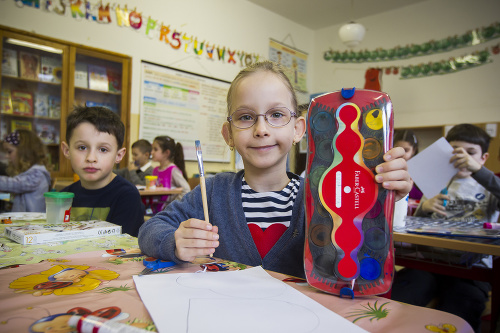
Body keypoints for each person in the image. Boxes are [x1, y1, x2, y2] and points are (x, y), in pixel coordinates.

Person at [138, 60, 411, 278]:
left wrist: (380, 202)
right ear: (228, 134)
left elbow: (357, 259)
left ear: (298, 130)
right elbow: (150, 230)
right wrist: (174, 241)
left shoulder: (320, 198)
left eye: (277, 115)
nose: (261, 130)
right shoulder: (213, 192)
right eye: (246, 117)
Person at [392, 123, 500, 333]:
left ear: (483, 158)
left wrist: (478, 171)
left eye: (470, 153)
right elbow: (415, 224)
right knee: (401, 299)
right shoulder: (436, 182)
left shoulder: (489, 188)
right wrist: (423, 208)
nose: (462, 158)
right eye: (455, 152)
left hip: (472, 272)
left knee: (460, 311)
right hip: (430, 263)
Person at [60, 106, 144, 237]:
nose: (91, 158)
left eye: (103, 149)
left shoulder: (127, 196)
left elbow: (122, 249)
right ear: (66, 150)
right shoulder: (63, 196)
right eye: (82, 147)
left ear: (119, 155)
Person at [0, 130, 51, 212]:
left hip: (32, 222)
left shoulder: (37, 174)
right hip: (21, 220)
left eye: (9, 151)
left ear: (24, 152)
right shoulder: (27, 174)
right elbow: (14, 198)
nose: (6, 156)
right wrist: (1, 196)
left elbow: (14, 184)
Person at [149, 136, 190, 212]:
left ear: (166, 153)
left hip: (167, 211)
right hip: (155, 209)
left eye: (155, 149)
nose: (152, 152)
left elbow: (186, 189)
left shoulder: (173, 170)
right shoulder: (155, 170)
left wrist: (173, 205)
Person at [393, 128, 422, 200]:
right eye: (398, 148)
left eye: (406, 150)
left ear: (414, 150)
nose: (401, 153)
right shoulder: (389, 169)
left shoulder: (421, 170)